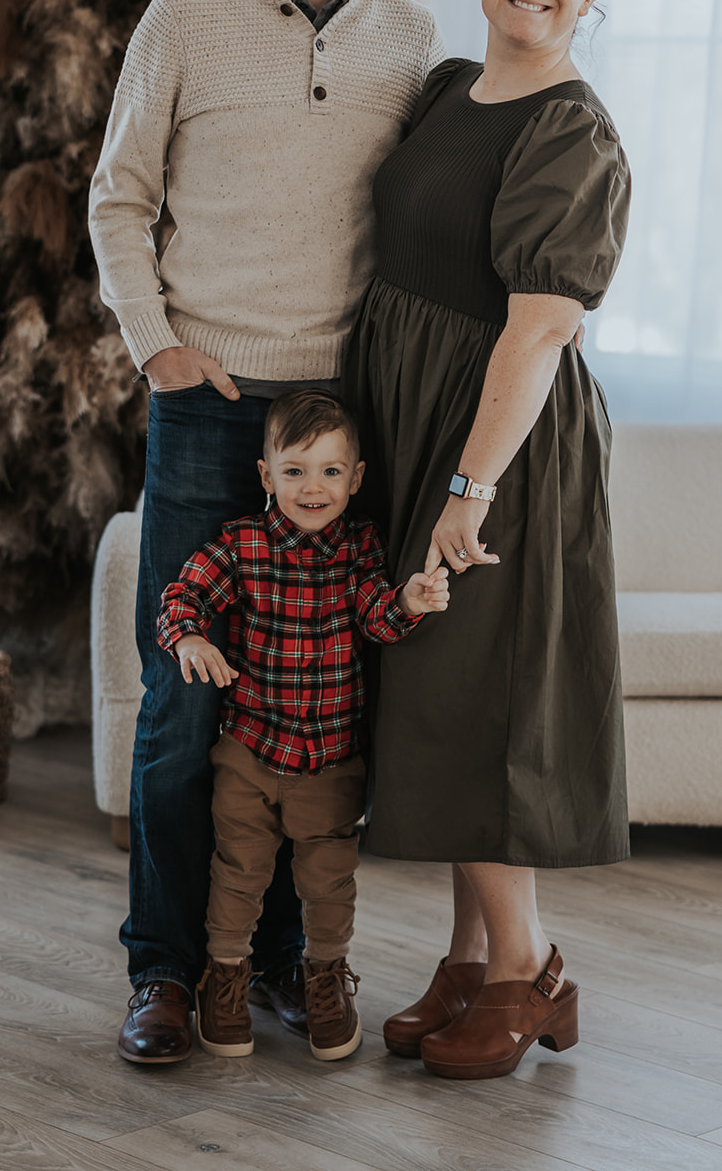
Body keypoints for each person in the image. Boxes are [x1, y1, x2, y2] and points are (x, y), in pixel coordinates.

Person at [88, 0, 445, 1064]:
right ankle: (167, 975)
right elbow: (116, 197)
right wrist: (159, 349)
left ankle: (288, 963)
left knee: (319, 704)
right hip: (205, 408)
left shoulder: (407, 32)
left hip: (338, 428)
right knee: (185, 707)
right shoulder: (184, 15)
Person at [341, 0, 631, 1082]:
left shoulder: (571, 130)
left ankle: (526, 972)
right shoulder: (449, 88)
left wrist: (468, 493)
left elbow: (535, 332)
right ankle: (464, 958)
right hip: (416, 422)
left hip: (499, 447)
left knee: (479, 693)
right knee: (431, 693)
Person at [155, 389, 449, 1062]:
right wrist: (190, 639)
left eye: (328, 471)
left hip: (331, 761)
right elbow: (184, 593)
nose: (311, 488)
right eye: (294, 471)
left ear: (356, 478)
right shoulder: (243, 543)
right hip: (251, 751)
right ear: (266, 477)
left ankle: (325, 978)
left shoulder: (360, 548)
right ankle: (223, 978)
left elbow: (377, 617)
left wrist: (409, 599)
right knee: (237, 873)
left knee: (329, 881)